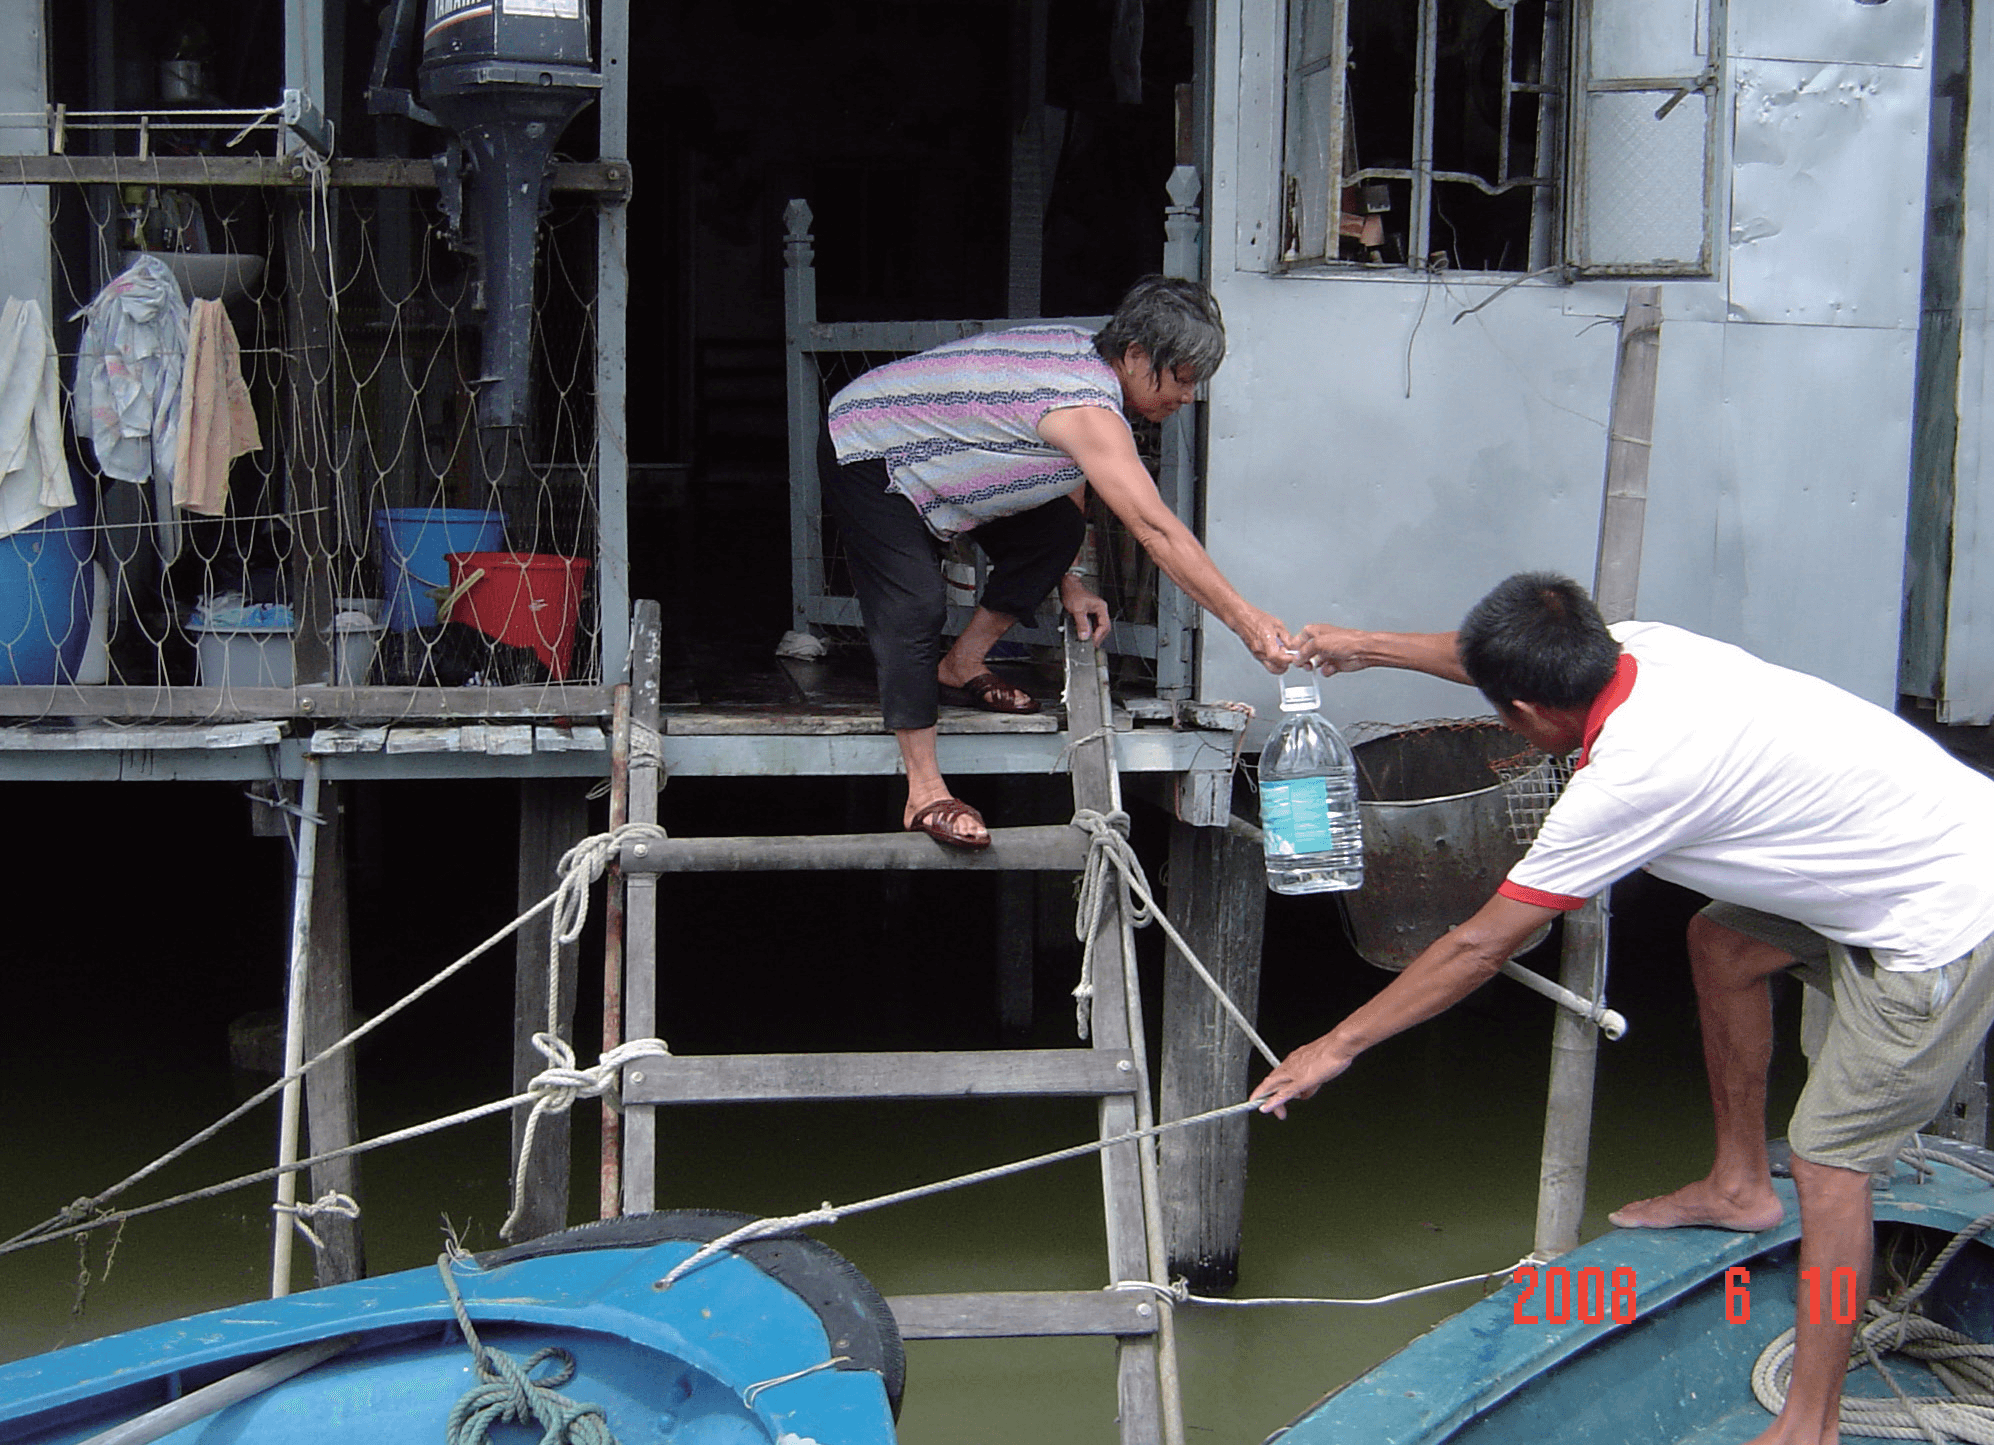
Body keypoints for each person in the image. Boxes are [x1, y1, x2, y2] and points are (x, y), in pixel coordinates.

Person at [1253, 573, 1994, 1445]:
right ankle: (1738, 1184)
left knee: (1833, 1171)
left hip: (1943, 920)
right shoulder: (1638, 645)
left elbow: (1477, 946)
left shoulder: (1626, 779)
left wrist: (1335, 1045)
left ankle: (1811, 1423)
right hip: (1901, 849)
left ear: (1528, 711)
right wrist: (1365, 644)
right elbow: (1488, 661)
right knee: (1723, 942)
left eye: (1504, 709)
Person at [821, 276, 1293, 849]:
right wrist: (1246, 620)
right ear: (1137, 355)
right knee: (916, 602)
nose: (1188, 397)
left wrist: (1064, 579)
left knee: (1061, 530)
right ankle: (923, 792)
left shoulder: (1092, 358)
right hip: (869, 444)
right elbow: (1154, 529)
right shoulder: (1084, 403)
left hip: (951, 459)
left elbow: (1058, 477)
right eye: (1184, 379)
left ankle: (961, 664)